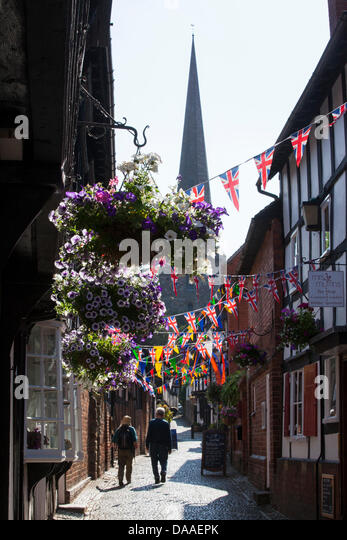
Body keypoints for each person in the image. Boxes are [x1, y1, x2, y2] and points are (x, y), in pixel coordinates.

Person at [146, 407, 172, 484]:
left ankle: (157, 477)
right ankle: (163, 470)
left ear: (156, 414)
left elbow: (149, 434)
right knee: (164, 460)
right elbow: (168, 437)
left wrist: (147, 444)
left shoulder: (151, 422)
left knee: (154, 462)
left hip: (153, 445)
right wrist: (170, 447)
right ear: (163, 415)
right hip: (163, 445)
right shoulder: (166, 423)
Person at [112, 416, 137, 487]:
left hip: (121, 450)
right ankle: (128, 479)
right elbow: (135, 440)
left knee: (121, 466)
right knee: (129, 466)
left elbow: (114, 440)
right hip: (129, 450)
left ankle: (120, 480)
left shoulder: (119, 429)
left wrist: (115, 448)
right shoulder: (132, 429)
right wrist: (135, 447)